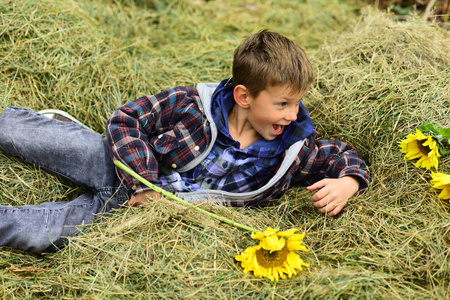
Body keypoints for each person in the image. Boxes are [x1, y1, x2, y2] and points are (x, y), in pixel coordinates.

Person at [0, 30, 370, 253]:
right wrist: (142, 179)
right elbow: (127, 119)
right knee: (33, 137)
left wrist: (348, 183)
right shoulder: (191, 105)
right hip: (123, 165)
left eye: (297, 102)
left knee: (38, 234)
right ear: (244, 97)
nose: (293, 114)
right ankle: (52, 127)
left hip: (134, 214)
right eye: (282, 104)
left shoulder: (292, 151)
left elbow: (340, 156)